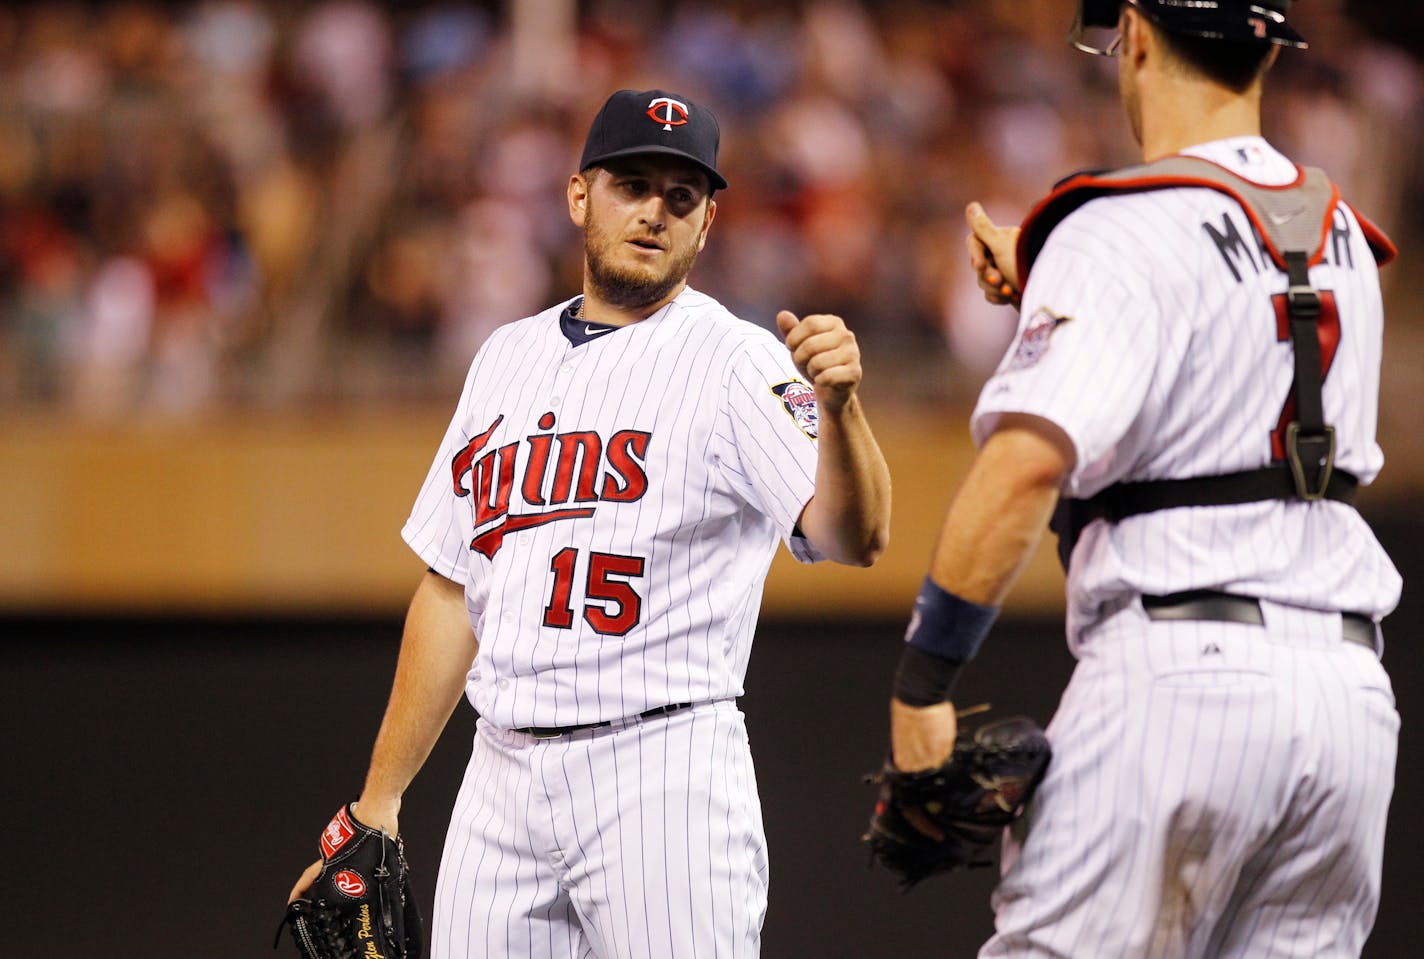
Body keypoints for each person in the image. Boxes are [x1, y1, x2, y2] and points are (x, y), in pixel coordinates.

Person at [288, 87, 891, 958]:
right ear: (580, 196)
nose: (654, 211)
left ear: (707, 222)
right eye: (631, 184)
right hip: (500, 770)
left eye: (681, 196)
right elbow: (454, 588)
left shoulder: (736, 361)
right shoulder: (505, 358)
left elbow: (852, 537)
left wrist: (841, 412)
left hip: (662, 766)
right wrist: (378, 799)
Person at [884, 2, 1401, 956]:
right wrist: (1051, 273)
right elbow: (1233, 294)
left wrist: (924, 684)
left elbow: (1024, 466)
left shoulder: (1112, 228)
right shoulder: (1343, 235)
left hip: (1179, 679)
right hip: (1350, 704)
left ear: (1138, 30)